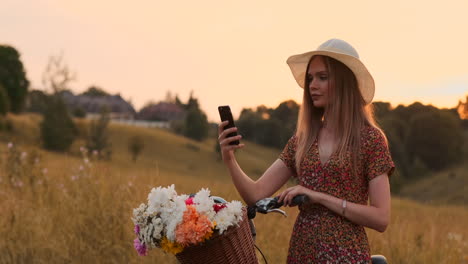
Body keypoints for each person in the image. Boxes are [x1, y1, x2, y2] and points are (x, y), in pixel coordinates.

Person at [218, 38, 394, 263]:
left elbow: (381, 218)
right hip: (303, 252)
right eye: (311, 78)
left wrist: (318, 197)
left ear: (344, 82)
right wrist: (229, 158)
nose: (312, 85)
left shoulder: (370, 140)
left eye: (323, 77)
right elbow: (255, 195)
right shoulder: (302, 141)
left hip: (347, 255)